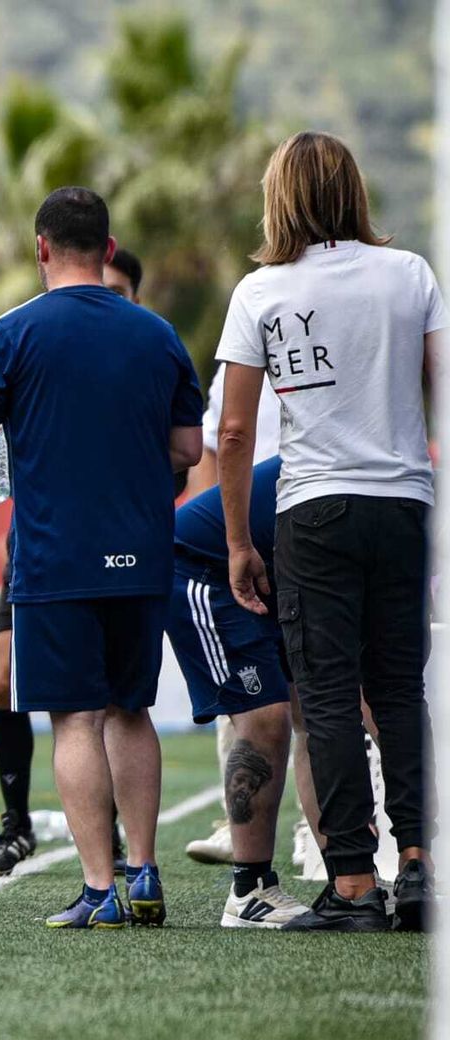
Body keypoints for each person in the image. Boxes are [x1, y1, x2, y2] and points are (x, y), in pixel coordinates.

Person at [0, 188, 202, 929]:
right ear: (107, 246)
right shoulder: (157, 334)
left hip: (57, 555)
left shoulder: (14, 330)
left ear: (42, 248)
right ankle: (145, 870)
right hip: (143, 550)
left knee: (74, 721)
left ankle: (99, 889)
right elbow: (188, 449)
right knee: (130, 709)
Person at [219, 131, 440, 932]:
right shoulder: (410, 273)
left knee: (329, 700)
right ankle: (418, 868)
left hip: (313, 509)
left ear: (281, 197)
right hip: (405, 505)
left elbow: (236, 432)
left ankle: (353, 884)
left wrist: (241, 542)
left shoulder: (263, 291)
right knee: (400, 692)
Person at [0, 247, 146, 876]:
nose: (109, 296)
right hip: (40, 545)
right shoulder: (37, 338)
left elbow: (182, 456)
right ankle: (16, 823)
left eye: (123, 289)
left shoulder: (141, 353)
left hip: (118, 543)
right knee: (4, 680)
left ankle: (112, 844)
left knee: (107, 702)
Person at [167, 457, 313, 926]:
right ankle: (249, 890)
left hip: (282, 570)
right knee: (265, 716)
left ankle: (355, 880)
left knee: (321, 713)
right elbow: (222, 440)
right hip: (204, 567)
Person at [182, 360, 304, 868]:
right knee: (255, 696)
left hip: (308, 515)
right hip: (251, 534)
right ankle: (246, 828)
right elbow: (217, 443)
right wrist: (226, 536)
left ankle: (317, 834)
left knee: (312, 699)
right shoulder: (243, 346)